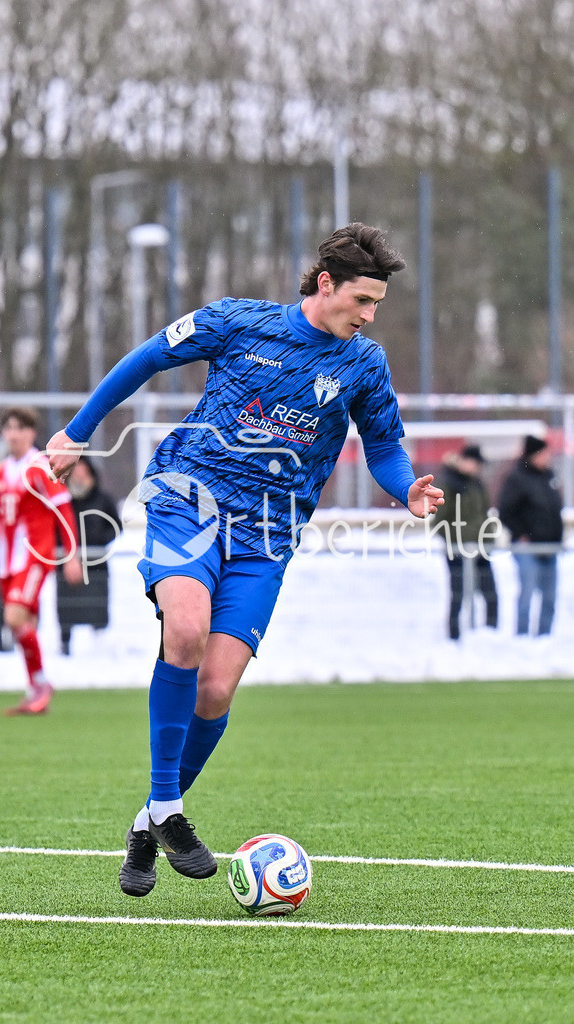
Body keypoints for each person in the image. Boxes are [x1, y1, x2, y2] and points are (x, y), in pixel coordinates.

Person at [46, 222, 444, 897]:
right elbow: (144, 359)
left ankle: (149, 822)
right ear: (326, 284)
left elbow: (382, 445)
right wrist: (77, 432)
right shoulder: (236, 322)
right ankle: (169, 805)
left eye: (378, 304)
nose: (371, 315)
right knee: (187, 630)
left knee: (218, 688)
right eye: (363, 300)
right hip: (188, 501)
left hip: (268, 535)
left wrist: (405, 484)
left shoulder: (363, 364)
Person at [0, 407, 83, 714]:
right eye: (8, 428)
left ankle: (41, 685)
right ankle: (35, 692)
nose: (13, 434)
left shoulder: (40, 466)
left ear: (31, 433)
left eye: (19, 428)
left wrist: (71, 553)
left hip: (35, 557)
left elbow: (63, 508)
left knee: (14, 618)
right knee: (23, 625)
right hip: (7, 561)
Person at [498, 434, 563, 636]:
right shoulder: (517, 478)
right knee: (527, 593)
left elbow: (553, 510)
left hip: (549, 547)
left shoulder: (549, 476)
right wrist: (521, 534)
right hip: (528, 547)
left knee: (550, 596)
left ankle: (545, 637)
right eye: (544, 453)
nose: (548, 458)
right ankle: (523, 637)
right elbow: (505, 511)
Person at [56, 456, 122, 655]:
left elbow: (116, 527)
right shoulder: (62, 499)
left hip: (97, 566)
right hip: (67, 564)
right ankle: (65, 644)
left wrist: (98, 541)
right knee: (68, 606)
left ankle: (99, 647)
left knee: (96, 606)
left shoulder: (102, 498)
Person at [434, 444, 498, 640]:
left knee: (491, 595)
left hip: (480, 549)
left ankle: (490, 638)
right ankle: (455, 639)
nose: (478, 468)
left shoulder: (476, 484)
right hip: (458, 551)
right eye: (476, 463)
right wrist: (457, 542)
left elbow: (483, 514)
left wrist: (487, 537)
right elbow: (439, 519)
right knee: (458, 595)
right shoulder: (448, 483)